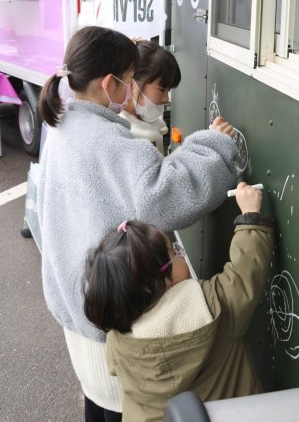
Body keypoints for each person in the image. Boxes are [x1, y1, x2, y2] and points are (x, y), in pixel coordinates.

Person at [37, 25, 239, 422]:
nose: (134, 90)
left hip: (81, 320)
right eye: (131, 80)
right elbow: (165, 198)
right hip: (115, 338)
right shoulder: (109, 141)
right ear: (109, 84)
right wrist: (215, 145)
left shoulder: (62, 127)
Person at [82, 183, 274, 422]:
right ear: (163, 280)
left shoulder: (119, 343)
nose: (179, 252)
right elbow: (246, 272)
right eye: (174, 251)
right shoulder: (214, 306)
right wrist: (250, 219)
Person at [120, 40, 181, 154]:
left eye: (168, 90)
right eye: (162, 89)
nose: (166, 98)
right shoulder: (121, 133)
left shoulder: (147, 120)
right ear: (132, 83)